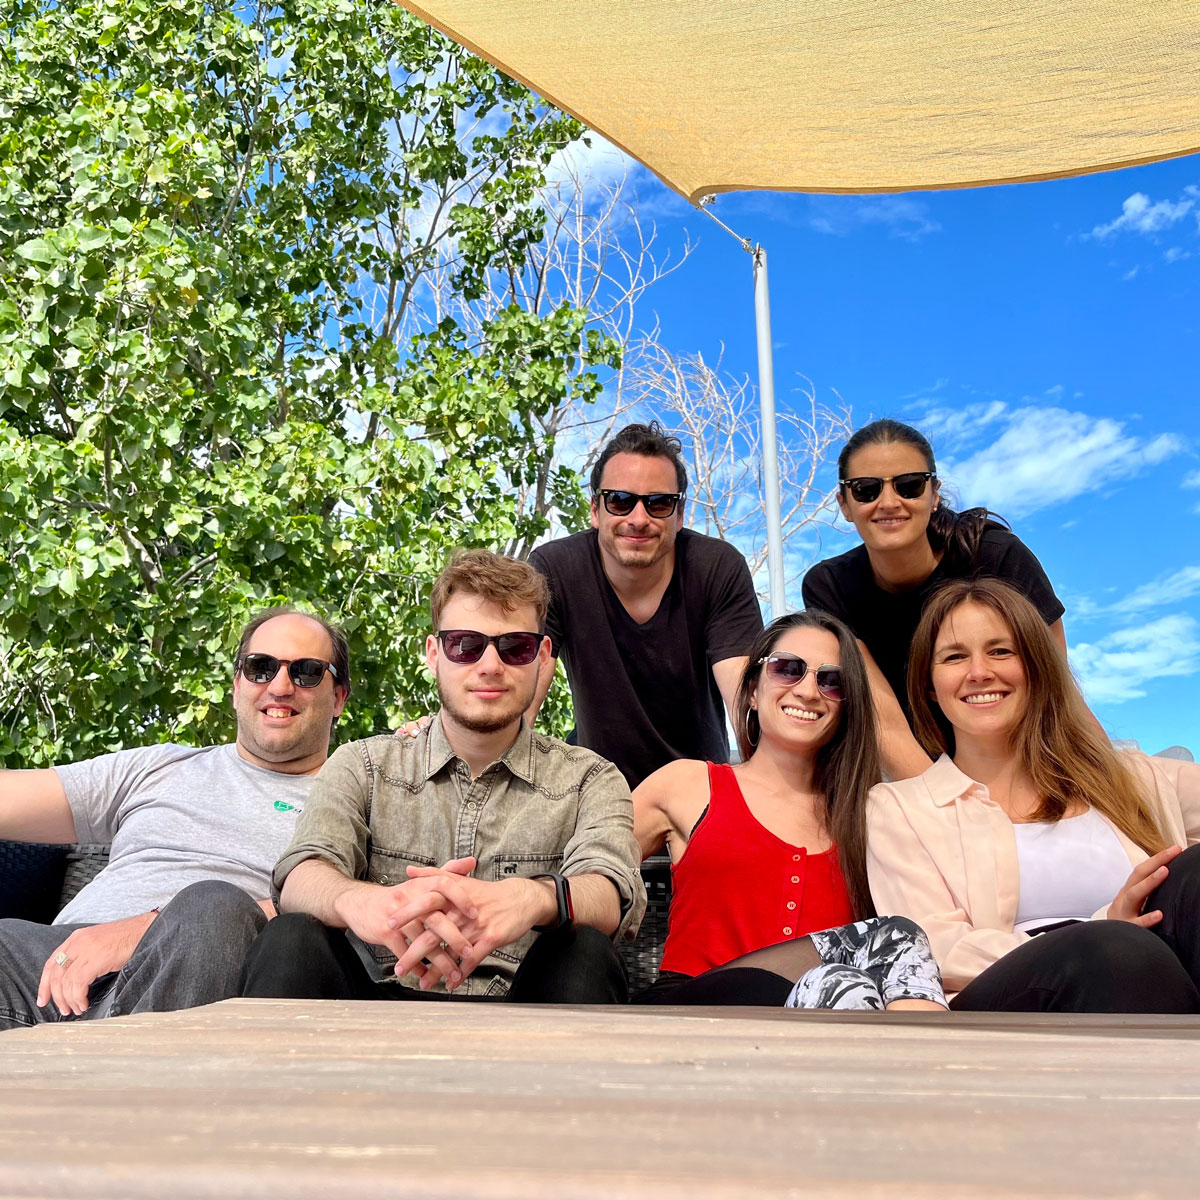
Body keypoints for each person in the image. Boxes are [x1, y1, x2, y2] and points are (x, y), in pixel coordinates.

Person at [240, 549, 645, 1005]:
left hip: (527, 1014)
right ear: (434, 655)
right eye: (466, 646)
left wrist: (533, 899)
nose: (490, 665)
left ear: (542, 657)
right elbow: (301, 875)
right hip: (373, 1004)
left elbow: (611, 891)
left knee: (586, 949)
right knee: (291, 937)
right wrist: (361, 901)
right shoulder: (363, 765)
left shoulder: (590, 777)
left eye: (515, 647)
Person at [0, 608, 351, 1030]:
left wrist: (136, 934)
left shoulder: (351, 796)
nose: (279, 686)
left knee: (214, 907)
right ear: (237, 683)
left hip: (193, 967)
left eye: (307, 672)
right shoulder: (161, 766)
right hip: (54, 962)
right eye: (260, 668)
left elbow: (343, 906)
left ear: (339, 697)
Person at [867, 577, 1200, 1012]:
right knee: (1115, 949)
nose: (979, 672)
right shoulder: (900, 808)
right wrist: (1104, 925)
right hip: (1006, 1008)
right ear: (930, 685)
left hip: (1160, 978)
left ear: (1036, 666)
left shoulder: (1132, 777)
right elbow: (933, 945)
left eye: (1001, 651)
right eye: (954, 656)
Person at [631, 610, 946, 1011]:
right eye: (787, 669)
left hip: (817, 1027)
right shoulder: (687, 784)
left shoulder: (868, 817)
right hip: (694, 1016)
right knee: (882, 947)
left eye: (832, 681)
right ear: (750, 691)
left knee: (847, 979)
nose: (808, 691)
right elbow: (589, 871)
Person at [802, 418, 1068, 780]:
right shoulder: (829, 586)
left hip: (1022, 764)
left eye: (909, 485)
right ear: (844, 504)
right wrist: (949, 811)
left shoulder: (996, 556)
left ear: (934, 493)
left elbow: (1057, 691)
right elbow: (884, 720)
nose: (889, 502)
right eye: (866, 490)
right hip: (917, 780)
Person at [527, 421, 763, 789]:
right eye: (620, 501)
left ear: (680, 515)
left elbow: (745, 702)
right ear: (595, 510)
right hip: (595, 792)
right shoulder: (556, 569)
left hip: (698, 791)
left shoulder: (716, 568)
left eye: (659, 503)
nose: (638, 519)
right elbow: (521, 688)